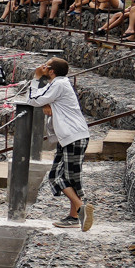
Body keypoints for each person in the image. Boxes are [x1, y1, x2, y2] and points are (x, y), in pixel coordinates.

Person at [27, 56, 94, 229]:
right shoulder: (58, 84)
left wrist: (36, 77)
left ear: (51, 71)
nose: (42, 67)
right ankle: (74, 217)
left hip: (73, 136)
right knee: (69, 178)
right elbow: (43, 99)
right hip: (70, 137)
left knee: (56, 177)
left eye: (46, 66)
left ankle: (80, 208)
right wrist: (47, 103)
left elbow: (33, 100)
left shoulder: (59, 84)